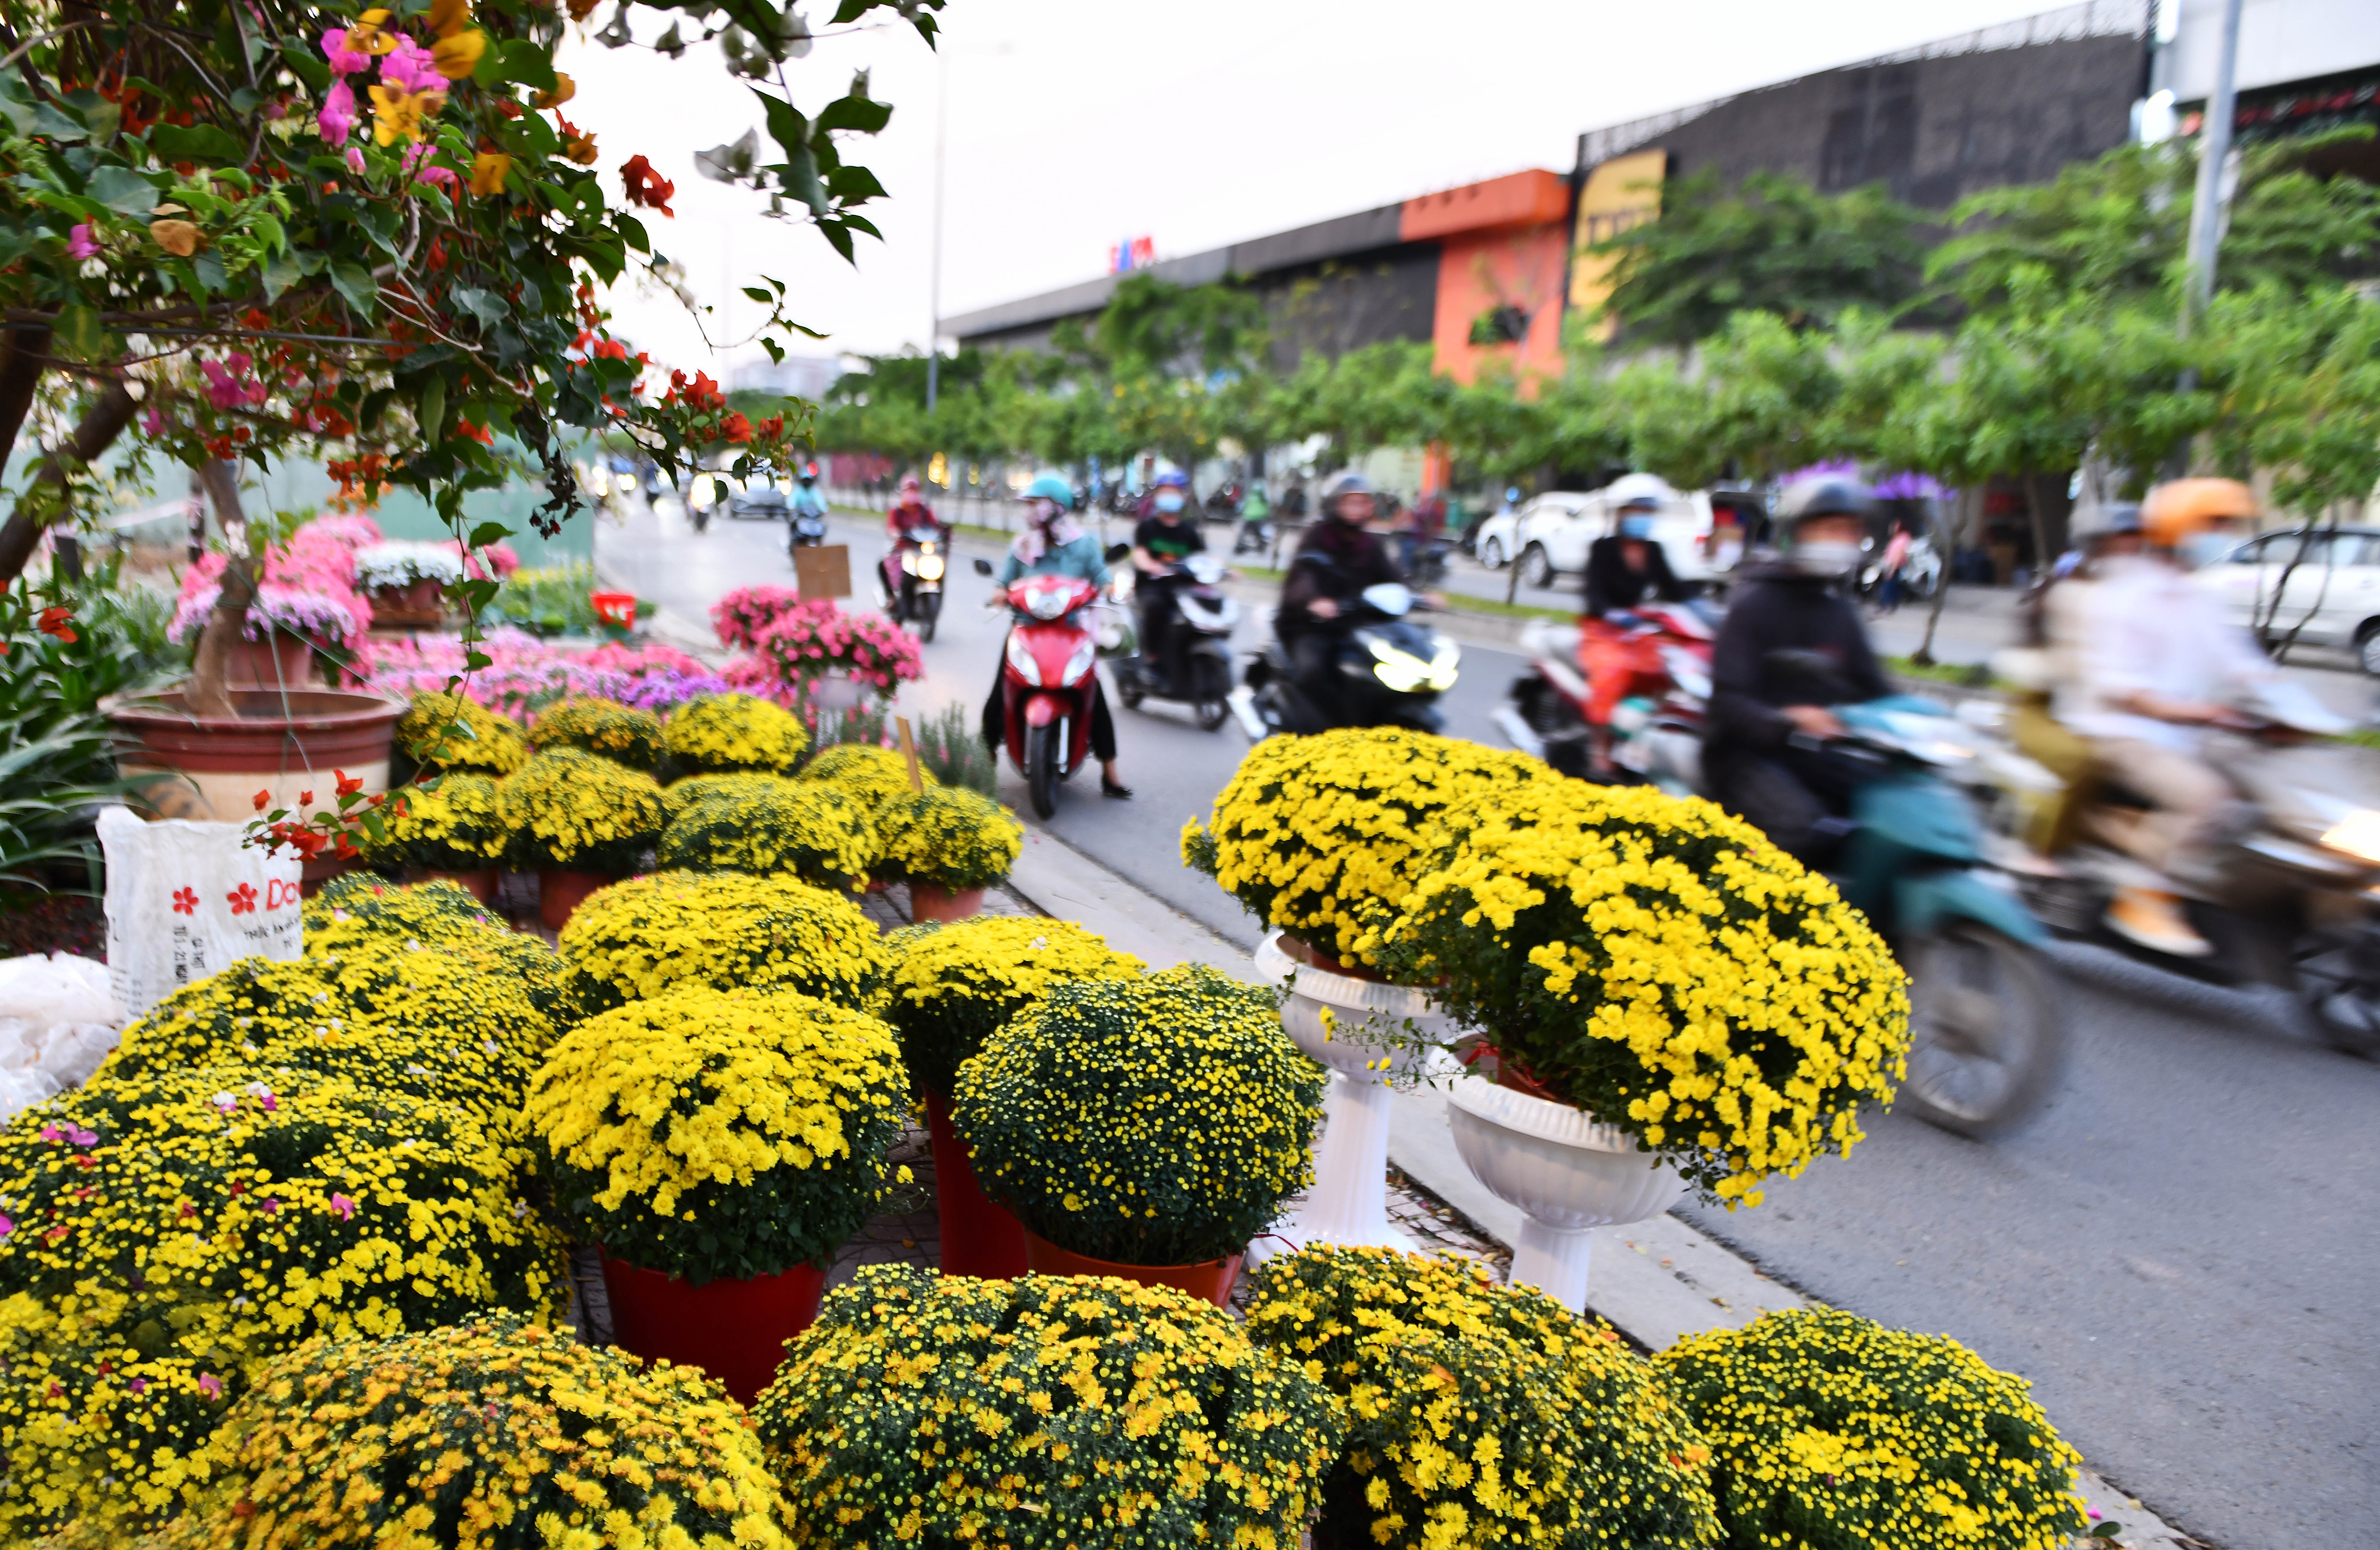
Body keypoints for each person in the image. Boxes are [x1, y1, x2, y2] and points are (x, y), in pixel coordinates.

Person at [2057, 477, 2275, 956]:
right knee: (2207, 796)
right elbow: (2123, 691)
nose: (2222, 535)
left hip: (2184, 735)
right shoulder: (2129, 595)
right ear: (2180, 526)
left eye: (2226, 525)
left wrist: (2290, 705)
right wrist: (2205, 712)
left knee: (2268, 795)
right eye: (2214, 524)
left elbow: (2243, 664)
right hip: (2124, 735)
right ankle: (2145, 895)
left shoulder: (2199, 600)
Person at [1702, 475, 1891, 867]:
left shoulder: (1840, 612)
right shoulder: (1754, 604)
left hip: (1817, 754)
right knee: (1806, 831)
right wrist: (1790, 718)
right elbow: (1728, 702)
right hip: (1746, 756)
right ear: (1797, 531)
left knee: (1885, 810)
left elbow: (1876, 688)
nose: (1842, 540)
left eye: (1851, 531)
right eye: (1831, 529)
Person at [981, 474, 1132, 799]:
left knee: (1094, 695)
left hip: (1071, 633)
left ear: (1057, 507)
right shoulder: (1023, 546)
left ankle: (1110, 771)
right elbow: (1003, 582)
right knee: (999, 692)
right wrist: (999, 593)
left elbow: (1103, 578)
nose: (1030, 510)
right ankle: (986, 759)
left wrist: (1113, 590)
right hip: (1027, 629)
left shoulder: (1084, 545)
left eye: (1036, 503)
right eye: (1029, 504)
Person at [1277, 470, 1405, 720]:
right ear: (1334, 504)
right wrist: (1315, 601)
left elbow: (1393, 578)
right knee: (1313, 672)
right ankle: (1318, 728)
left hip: (1357, 627)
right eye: (1350, 503)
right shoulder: (1317, 537)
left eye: (1362, 503)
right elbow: (1302, 576)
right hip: (1312, 627)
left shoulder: (1371, 544)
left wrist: (1418, 596)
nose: (1357, 509)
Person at [1130, 470, 1207, 690]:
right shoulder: (1147, 528)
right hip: (1154, 587)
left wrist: (1223, 570)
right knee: (1155, 607)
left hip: (1183, 589)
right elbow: (1140, 554)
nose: (1170, 497)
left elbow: (1203, 557)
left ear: (1183, 496)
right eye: (1165, 492)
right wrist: (1151, 566)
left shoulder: (1189, 531)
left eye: (1174, 492)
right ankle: (1151, 660)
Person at [883, 474, 940, 596]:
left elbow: (936, 527)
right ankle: (893, 597)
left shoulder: (924, 510)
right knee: (888, 567)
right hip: (903, 551)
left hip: (921, 552)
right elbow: (892, 528)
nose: (912, 493)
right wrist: (896, 534)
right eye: (909, 490)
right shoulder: (897, 511)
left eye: (915, 490)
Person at [1875, 519, 1912, 613]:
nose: (1893, 528)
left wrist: (1893, 568)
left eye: (1895, 526)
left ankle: (1886, 606)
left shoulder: (1903, 539)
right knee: (1890, 586)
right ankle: (1888, 605)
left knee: (1889, 587)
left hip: (1895, 566)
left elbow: (1899, 554)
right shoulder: (1896, 538)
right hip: (1890, 565)